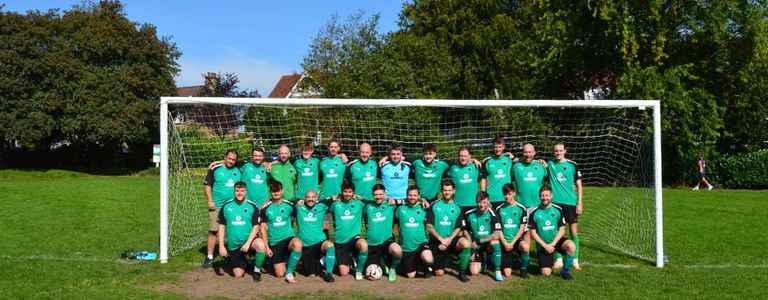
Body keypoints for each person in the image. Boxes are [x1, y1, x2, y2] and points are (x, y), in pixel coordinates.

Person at [217, 182, 268, 281]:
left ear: (246, 192)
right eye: (237, 190)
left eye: (242, 191)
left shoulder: (252, 206)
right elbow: (222, 226)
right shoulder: (226, 206)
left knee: (261, 245)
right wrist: (221, 246)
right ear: (234, 191)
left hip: (249, 241)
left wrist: (248, 243)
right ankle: (245, 262)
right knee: (238, 275)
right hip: (234, 244)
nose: (239, 193)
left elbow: (256, 227)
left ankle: (257, 270)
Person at [202, 149, 242, 268]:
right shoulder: (215, 168)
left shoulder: (239, 168)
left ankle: (229, 255)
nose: (231, 161)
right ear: (225, 157)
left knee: (231, 231)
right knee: (213, 231)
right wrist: (210, 200)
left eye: (233, 159)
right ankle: (209, 257)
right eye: (229, 158)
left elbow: (254, 160)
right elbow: (207, 185)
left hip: (233, 206)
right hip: (217, 205)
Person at [426, 180, 472, 282]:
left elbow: (458, 227)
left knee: (466, 243)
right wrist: (441, 239)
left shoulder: (457, 207)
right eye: (445, 190)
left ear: (454, 191)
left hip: (451, 240)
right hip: (437, 241)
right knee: (439, 273)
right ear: (441, 191)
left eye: (449, 190)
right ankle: (447, 260)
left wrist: (449, 240)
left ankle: (462, 272)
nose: (447, 192)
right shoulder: (434, 205)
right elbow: (429, 226)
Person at [547, 143, 583, 270]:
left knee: (573, 232)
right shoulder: (549, 164)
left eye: (560, 150)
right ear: (553, 152)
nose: (558, 153)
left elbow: (579, 185)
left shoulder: (572, 165)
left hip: (571, 203)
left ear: (565, 151)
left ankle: (575, 259)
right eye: (556, 151)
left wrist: (579, 203)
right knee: (556, 232)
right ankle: (558, 259)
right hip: (555, 204)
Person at [529, 185, 576, 280]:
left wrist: (553, 244)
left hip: (555, 241)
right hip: (543, 245)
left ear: (551, 196)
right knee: (546, 273)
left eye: (547, 195)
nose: (545, 198)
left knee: (571, 246)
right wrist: (545, 246)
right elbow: (533, 233)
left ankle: (565, 271)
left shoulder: (558, 210)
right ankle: (547, 261)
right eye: (542, 195)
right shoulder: (534, 212)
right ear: (539, 196)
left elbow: (562, 230)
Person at [260, 181, 303, 283]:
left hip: (288, 239)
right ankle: (275, 262)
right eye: (273, 191)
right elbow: (263, 228)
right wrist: (266, 247)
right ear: (270, 192)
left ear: (282, 191)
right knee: (279, 274)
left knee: (297, 244)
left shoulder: (290, 205)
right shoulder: (265, 208)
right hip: (275, 242)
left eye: (278, 191)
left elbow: (295, 216)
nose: (276, 193)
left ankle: (289, 273)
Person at [363, 184, 403, 282]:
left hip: (386, 242)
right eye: (376, 195)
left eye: (381, 194)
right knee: (371, 274)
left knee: (398, 250)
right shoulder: (367, 207)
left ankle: (392, 269)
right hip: (372, 244)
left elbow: (409, 200)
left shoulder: (391, 205)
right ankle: (381, 261)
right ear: (372, 195)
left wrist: (421, 200)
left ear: (385, 194)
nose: (378, 197)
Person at [329, 181, 368, 280]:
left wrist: (362, 198)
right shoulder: (335, 204)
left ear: (353, 193)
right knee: (343, 273)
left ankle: (359, 271)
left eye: (350, 192)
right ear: (341, 192)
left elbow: (373, 201)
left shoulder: (359, 203)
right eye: (345, 191)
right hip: (340, 242)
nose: (347, 194)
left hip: (354, 239)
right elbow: (320, 205)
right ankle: (350, 260)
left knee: (363, 244)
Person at [461, 191, 504, 281]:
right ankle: (483, 261)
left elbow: (497, 234)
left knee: (495, 242)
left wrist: (480, 241)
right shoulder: (469, 214)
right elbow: (465, 230)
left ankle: (497, 270)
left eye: (484, 202)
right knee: (474, 272)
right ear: (476, 202)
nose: (481, 205)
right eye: (479, 202)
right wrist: (471, 242)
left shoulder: (494, 214)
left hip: (487, 243)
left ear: (488, 201)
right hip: (475, 245)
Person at [294, 190, 335, 282]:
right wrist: (296, 201)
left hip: (319, 242)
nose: (310, 199)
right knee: (311, 274)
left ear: (317, 198)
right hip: (305, 245)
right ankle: (320, 262)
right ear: (304, 198)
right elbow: (286, 202)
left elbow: (335, 197)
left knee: (330, 246)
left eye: (313, 197)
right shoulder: (299, 207)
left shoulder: (322, 206)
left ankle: (329, 273)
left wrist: (356, 197)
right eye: (308, 197)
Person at [395, 186, 434, 278]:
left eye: (415, 195)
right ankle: (416, 265)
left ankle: (428, 267)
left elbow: (430, 225)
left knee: (428, 258)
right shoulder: (400, 209)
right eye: (410, 195)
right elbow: (395, 225)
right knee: (410, 275)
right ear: (406, 195)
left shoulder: (424, 208)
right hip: (406, 247)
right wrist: (397, 238)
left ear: (419, 196)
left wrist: (423, 201)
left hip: (421, 243)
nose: (412, 197)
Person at [495, 184, 530, 278]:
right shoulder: (499, 209)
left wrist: (513, 242)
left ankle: (523, 269)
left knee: (525, 246)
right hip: (504, 241)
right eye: (505, 194)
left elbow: (522, 229)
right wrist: (505, 243)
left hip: (516, 240)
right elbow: (498, 229)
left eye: (509, 194)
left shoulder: (521, 208)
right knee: (507, 274)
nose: (507, 196)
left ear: (514, 193)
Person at [511, 144, 548, 211]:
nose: (528, 155)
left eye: (530, 152)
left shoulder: (541, 166)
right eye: (525, 152)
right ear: (522, 153)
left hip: (538, 205)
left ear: (534, 153)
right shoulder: (516, 166)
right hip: (520, 205)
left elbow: (549, 181)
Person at [481, 137, 515, 210]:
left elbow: (523, 160)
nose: (497, 149)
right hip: (491, 198)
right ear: (493, 147)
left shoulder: (509, 159)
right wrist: (483, 196)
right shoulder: (487, 161)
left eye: (500, 147)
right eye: (495, 147)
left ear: (503, 147)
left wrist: (540, 161)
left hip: (506, 197)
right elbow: (483, 179)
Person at [448, 147, 482, 214]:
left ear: (469, 156)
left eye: (465, 156)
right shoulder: (453, 168)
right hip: (457, 205)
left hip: (473, 204)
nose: (463, 158)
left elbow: (486, 180)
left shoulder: (476, 166)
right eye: (461, 156)